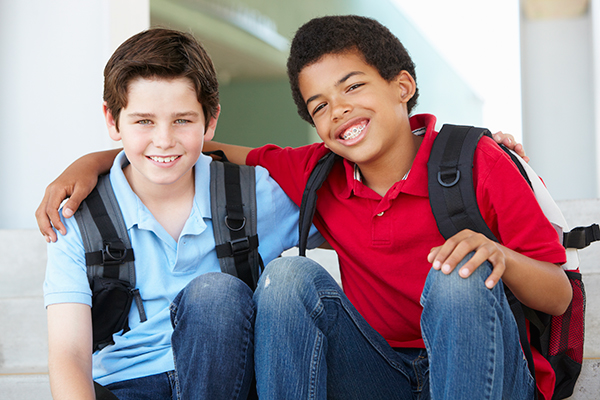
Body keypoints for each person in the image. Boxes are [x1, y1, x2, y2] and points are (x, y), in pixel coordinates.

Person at [35, 16, 562, 400]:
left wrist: (499, 251)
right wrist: (93, 162)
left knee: (458, 275)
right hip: (377, 370)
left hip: (482, 364)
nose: (340, 112)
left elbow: (558, 295)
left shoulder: (475, 161)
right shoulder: (316, 174)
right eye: (320, 106)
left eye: (354, 86)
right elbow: (187, 150)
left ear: (404, 85)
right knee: (286, 278)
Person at [43, 28, 320, 400]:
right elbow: (69, 356)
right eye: (143, 121)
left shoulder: (256, 195)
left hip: (232, 381)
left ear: (211, 121)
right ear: (112, 121)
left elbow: (355, 214)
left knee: (214, 294)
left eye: (182, 120)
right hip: (128, 386)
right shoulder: (78, 216)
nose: (163, 140)